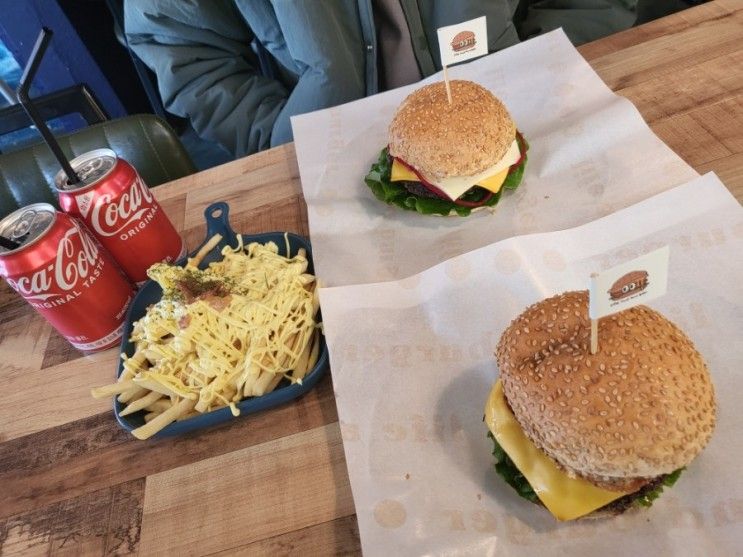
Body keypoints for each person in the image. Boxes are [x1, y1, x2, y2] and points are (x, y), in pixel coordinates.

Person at [124, 0, 695, 159]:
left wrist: (543, 72)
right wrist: (279, 134)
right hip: (333, 155)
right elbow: (182, 46)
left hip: (531, 125)